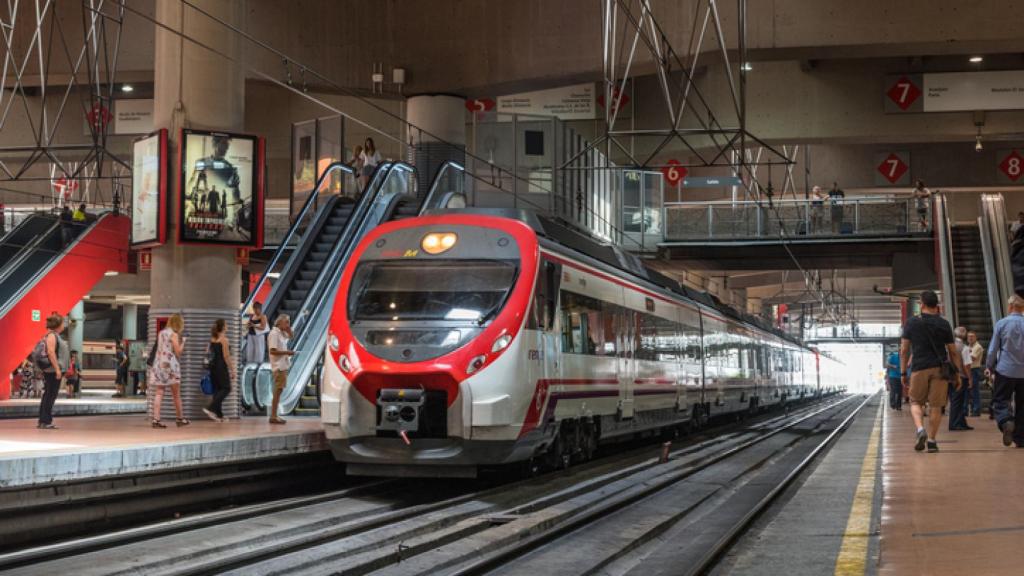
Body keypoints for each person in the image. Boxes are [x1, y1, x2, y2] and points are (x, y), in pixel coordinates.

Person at [900, 290, 968, 452]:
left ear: (922, 304)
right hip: (940, 369)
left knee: (915, 402)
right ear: (936, 305)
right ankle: (931, 441)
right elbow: (952, 351)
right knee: (936, 406)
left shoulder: (911, 323)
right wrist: (957, 373)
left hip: (919, 368)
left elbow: (904, 350)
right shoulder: (944, 324)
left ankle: (920, 429)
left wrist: (903, 372)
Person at [986, 294, 1024, 447]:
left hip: (1005, 370)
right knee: (1022, 405)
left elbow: (993, 349)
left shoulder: (1001, 324)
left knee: (1000, 400)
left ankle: (1006, 421)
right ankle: (1020, 439)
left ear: (1010, 306)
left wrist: (989, 366)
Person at [150, 314, 190, 428]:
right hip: (171, 366)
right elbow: (178, 352)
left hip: (159, 364)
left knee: (159, 393)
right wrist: (184, 341)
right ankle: (180, 419)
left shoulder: (161, 333)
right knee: (176, 394)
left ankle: (156, 420)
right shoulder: (174, 334)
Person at [202, 319, 235, 422]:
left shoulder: (212, 339)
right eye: (226, 324)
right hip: (221, 367)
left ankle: (219, 415)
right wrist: (232, 370)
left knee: (217, 390)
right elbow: (226, 356)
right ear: (223, 327)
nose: (227, 325)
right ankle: (210, 408)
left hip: (213, 367)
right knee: (227, 388)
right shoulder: (224, 340)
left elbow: (207, 352)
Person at [37, 314, 65, 429]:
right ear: (58, 325)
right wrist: (57, 369)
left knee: (48, 394)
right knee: (50, 395)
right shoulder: (52, 335)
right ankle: (45, 420)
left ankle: (43, 420)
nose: (64, 325)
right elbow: (51, 352)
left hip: (51, 370)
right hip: (52, 370)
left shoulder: (51, 335)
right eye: (63, 323)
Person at [267, 314, 296, 424]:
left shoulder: (281, 333)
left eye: (289, 322)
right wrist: (287, 352)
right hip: (278, 366)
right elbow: (272, 351)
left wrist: (289, 329)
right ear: (279, 322)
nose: (288, 325)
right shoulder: (274, 334)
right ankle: (273, 415)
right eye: (286, 322)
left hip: (283, 365)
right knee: (278, 390)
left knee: (279, 390)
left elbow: (291, 337)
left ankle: (274, 415)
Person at [948, 327, 973, 431]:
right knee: (959, 401)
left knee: (955, 400)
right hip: (961, 377)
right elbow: (966, 365)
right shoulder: (964, 347)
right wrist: (970, 378)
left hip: (950, 377)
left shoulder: (950, 346)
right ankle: (954, 423)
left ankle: (962, 422)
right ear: (964, 334)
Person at [967, 331, 984, 417]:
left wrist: (965, 354)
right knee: (969, 391)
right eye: (969, 336)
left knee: (974, 391)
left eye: (972, 336)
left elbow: (972, 358)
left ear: (976, 337)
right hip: (968, 370)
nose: (970, 338)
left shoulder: (978, 347)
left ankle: (976, 410)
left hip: (974, 370)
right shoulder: (968, 347)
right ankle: (972, 409)